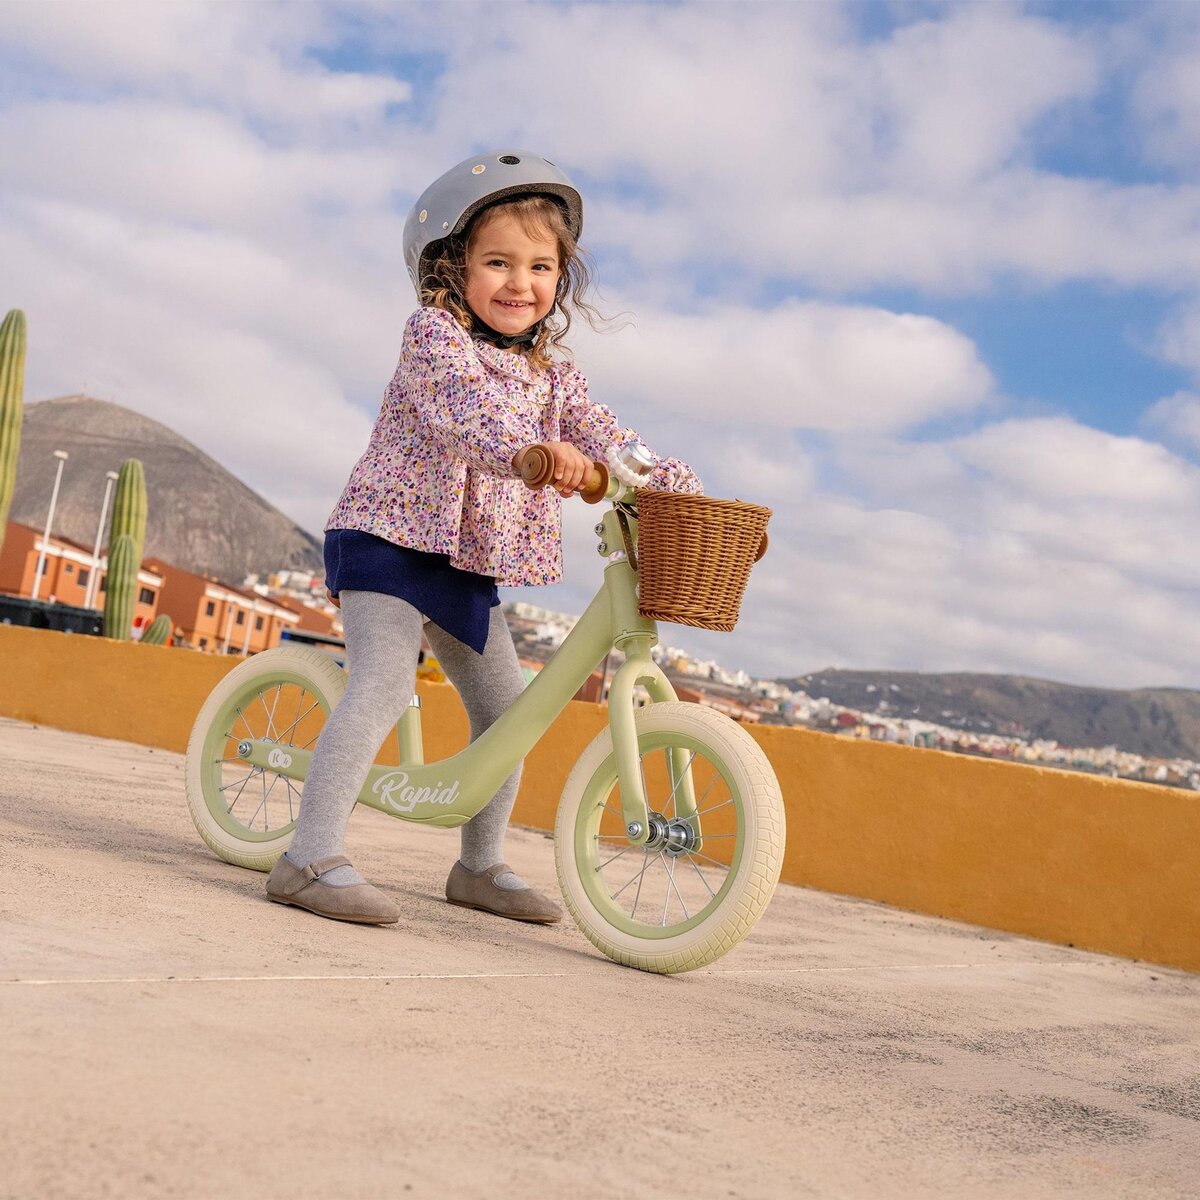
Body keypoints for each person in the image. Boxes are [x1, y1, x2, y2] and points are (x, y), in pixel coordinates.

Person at [265, 149, 701, 927]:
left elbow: (607, 435)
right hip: (390, 542)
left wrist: (670, 484)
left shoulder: (554, 375)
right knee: (384, 685)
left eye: (539, 267)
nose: (518, 282)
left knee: (507, 711)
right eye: (497, 261)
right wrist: (530, 455)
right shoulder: (434, 339)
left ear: (559, 281)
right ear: (451, 267)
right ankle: (306, 858)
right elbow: (469, 414)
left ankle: (478, 867)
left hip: (466, 563)